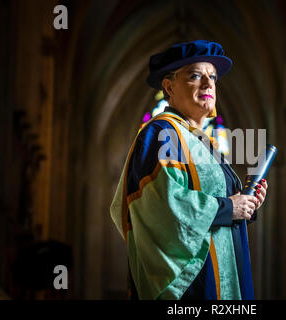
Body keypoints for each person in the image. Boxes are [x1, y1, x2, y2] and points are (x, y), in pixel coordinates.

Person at [110, 40, 268, 300]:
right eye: (195, 75)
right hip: (194, 287)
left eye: (212, 77)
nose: (208, 84)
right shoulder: (161, 133)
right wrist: (229, 207)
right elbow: (163, 206)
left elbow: (220, 208)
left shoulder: (204, 142)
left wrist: (246, 205)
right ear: (169, 87)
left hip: (224, 274)